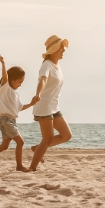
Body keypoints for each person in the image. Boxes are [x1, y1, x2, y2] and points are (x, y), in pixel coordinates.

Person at [0, 55, 39, 172]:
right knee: (20, 142)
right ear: (12, 80)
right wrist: (3, 64)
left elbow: (19, 108)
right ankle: (19, 166)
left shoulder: (15, 94)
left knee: (5, 145)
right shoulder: (5, 88)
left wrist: (32, 104)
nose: (21, 84)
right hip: (6, 120)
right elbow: (5, 77)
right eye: (20, 81)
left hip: (8, 120)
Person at [29, 35, 72, 171]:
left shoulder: (56, 65)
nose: (63, 50)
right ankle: (32, 168)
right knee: (47, 139)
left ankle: (37, 148)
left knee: (66, 135)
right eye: (61, 48)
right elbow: (42, 79)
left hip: (54, 107)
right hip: (44, 106)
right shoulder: (46, 65)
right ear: (54, 50)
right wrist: (38, 94)